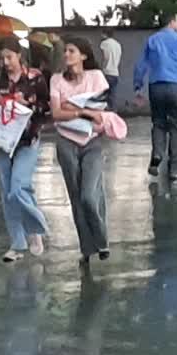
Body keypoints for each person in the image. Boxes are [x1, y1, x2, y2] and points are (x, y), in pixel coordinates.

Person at [49, 36, 112, 265]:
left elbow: (101, 106)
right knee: (76, 196)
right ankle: (87, 248)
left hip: (92, 140)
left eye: (72, 51)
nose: (67, 55)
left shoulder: (96, 77)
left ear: (83, 55)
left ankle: (102, 239)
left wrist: (70, 106)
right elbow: (56, 113)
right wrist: (81, 111)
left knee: (89, 195)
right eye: (65, 51)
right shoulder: (56, 80)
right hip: (66, 141)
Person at [0, 35, 50, 262]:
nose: (5, 62)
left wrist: (29, 104)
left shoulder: (35, 78)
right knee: (7, 193)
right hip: (2, 141)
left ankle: (36, 228)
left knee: (19, 186)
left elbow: (47, 107)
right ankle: (17, 242)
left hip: (27, 139)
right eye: (2, 57)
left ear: (19, 55)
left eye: (9, 57)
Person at [133, 12, 177, 182]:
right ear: (171, 22)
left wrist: (138, 86)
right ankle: (174, 170)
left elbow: (141, 65)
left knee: (159, 123)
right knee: (176, 125)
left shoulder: (152, 40)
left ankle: (157, 154)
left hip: (156, 86)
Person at [98, 27, 122, 110]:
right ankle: (114, 113)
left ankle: (105, 115)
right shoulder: (118, 44)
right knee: (113, 95)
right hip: (115, 72)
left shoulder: (104, 44)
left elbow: (104, 57)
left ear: (105, 34)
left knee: (103, 96)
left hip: (106, 72)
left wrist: (100, 68)